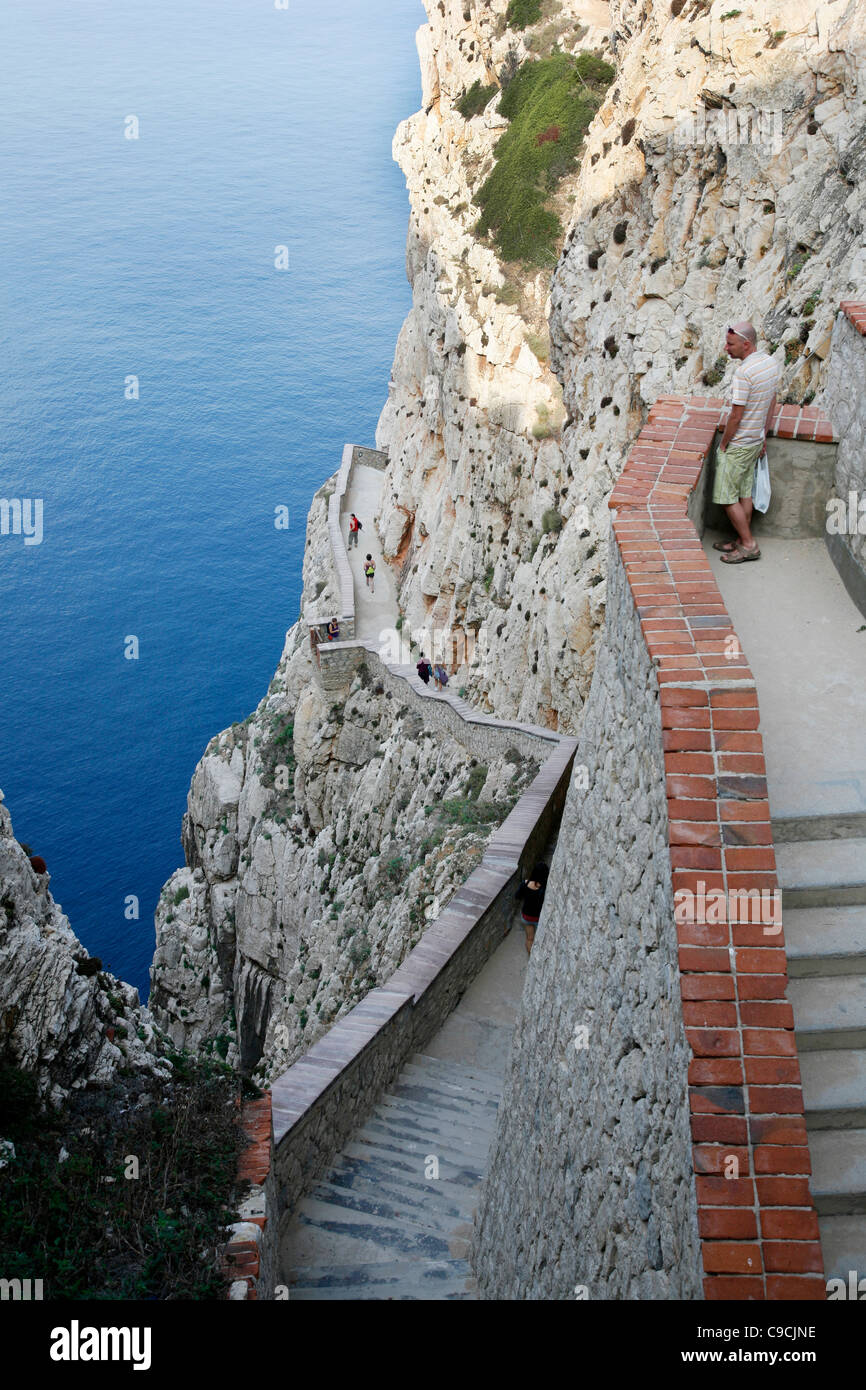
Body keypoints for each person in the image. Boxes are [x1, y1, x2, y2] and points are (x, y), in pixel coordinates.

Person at [712, 321, 780, 564]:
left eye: (730, 344)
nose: (726, 348)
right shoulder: (770, 363)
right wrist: (763, 433)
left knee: (727, 497)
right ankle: (741, 540)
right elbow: (772, 402)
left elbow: (736, 416)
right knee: (744, 493)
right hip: (755, 441)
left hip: (739, 444)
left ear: (746, 344)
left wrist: (723, 445)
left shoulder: (744, 373)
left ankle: (749, 545)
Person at [516, 862, 548, 955]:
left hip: (527, 917)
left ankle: (531, 957)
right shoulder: (545, 888)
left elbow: (517, 896)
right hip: (539, 918)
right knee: (542, 940)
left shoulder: (525, 884)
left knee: (530, 938)